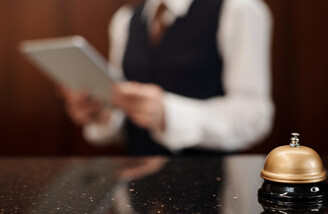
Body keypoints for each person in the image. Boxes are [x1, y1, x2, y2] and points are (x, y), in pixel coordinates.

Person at [58, 0, 274, 156]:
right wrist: (102, 113)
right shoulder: (125, 20)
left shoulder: (238, 9)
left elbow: (254, 115)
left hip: (210, 192)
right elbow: (122, 117)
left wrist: (168, 114)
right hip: (137, 195)